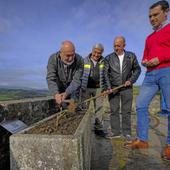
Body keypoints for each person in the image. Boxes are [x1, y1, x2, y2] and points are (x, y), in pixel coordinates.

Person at [126, 0, 170, 160]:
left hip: (167, 71)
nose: (152, 18)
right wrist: (145, 61)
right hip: (150, 74)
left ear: (166, 12)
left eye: (155, 14)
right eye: (150, 16)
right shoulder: (149, 37)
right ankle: (142, 140)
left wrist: (161, 58)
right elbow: (145, 55)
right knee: (140, 105)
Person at [104, 36, 141, 140]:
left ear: (124, 45)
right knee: (114, 110)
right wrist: (108, 87)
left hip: (127, 88)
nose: (116, 48)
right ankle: (115, 132)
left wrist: (131, 80)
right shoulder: (108, 58)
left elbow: (137, 70)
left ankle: (127, 132)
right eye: (114, 45)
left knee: (126, 111)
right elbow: (105, 74)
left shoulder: (131, 56)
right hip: (114, 89)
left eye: (118, 46)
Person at [46, 40, 83, 108]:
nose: (71, 58)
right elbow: (51, 78)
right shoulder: (53, 59)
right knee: (62, 106)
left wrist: (67, 93)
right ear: (61, 53)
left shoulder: (80, 60)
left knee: (73, 107)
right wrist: (56, 94)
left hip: (73, 87)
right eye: (68, 55)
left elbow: (77, 80)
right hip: (60, 86)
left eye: (73, 55)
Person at [81, 43, 106, 136]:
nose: (96, 55)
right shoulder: (84, 60)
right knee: (84, 108)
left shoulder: (104, 62)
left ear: (101, 53)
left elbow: (106, 75)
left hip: (99, 89)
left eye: (99, 53)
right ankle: (84, 128)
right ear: (92, 51)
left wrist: (105, 88)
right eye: (95, 52)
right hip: (85, 88)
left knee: (99, 109)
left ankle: (98, 129)